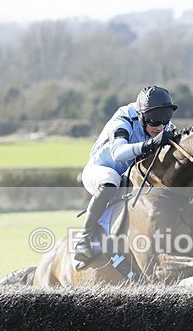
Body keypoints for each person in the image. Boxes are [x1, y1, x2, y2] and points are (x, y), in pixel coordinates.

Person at [72, 86, 177, 270]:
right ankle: (83, 238)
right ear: (142, 115)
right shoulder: (123, 119)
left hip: (129, 177)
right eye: (154, 122)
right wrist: (150, 144)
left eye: (165, 120)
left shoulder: (163, 124)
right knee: (110, 180)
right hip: (101, 170)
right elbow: (118, 153)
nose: (160, 127)